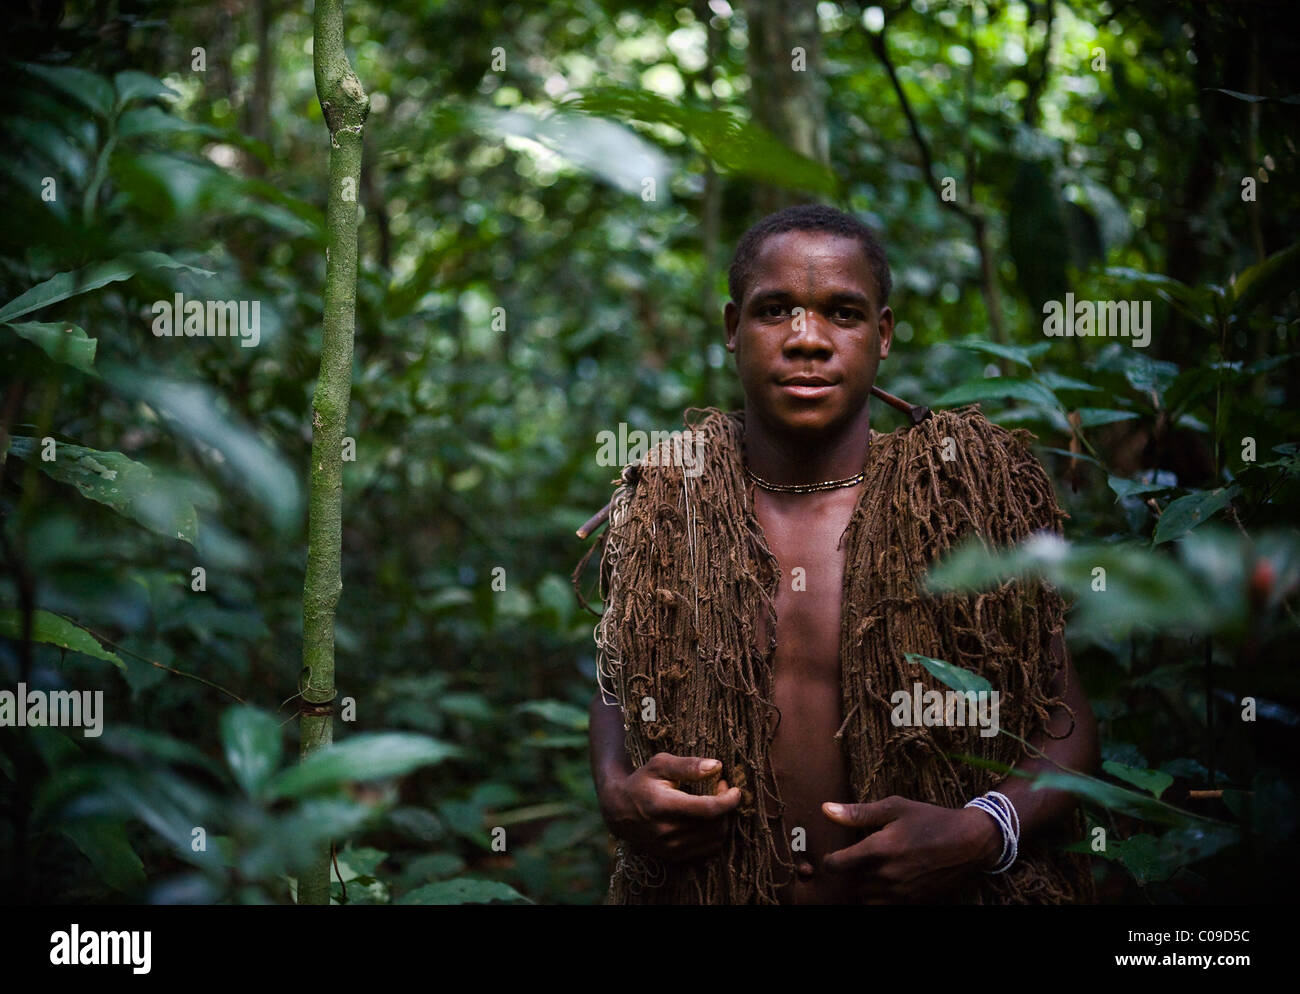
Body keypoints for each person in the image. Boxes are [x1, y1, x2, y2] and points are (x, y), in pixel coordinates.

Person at [585, 204, 1098, 905]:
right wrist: (616, 791)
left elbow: (1067, 723)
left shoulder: (962, 498)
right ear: (733, 330)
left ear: (881, 335)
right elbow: (616, 685)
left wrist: (982, 831)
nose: (808, 340)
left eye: (842, 313)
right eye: (776, 311)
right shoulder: (670, 504)